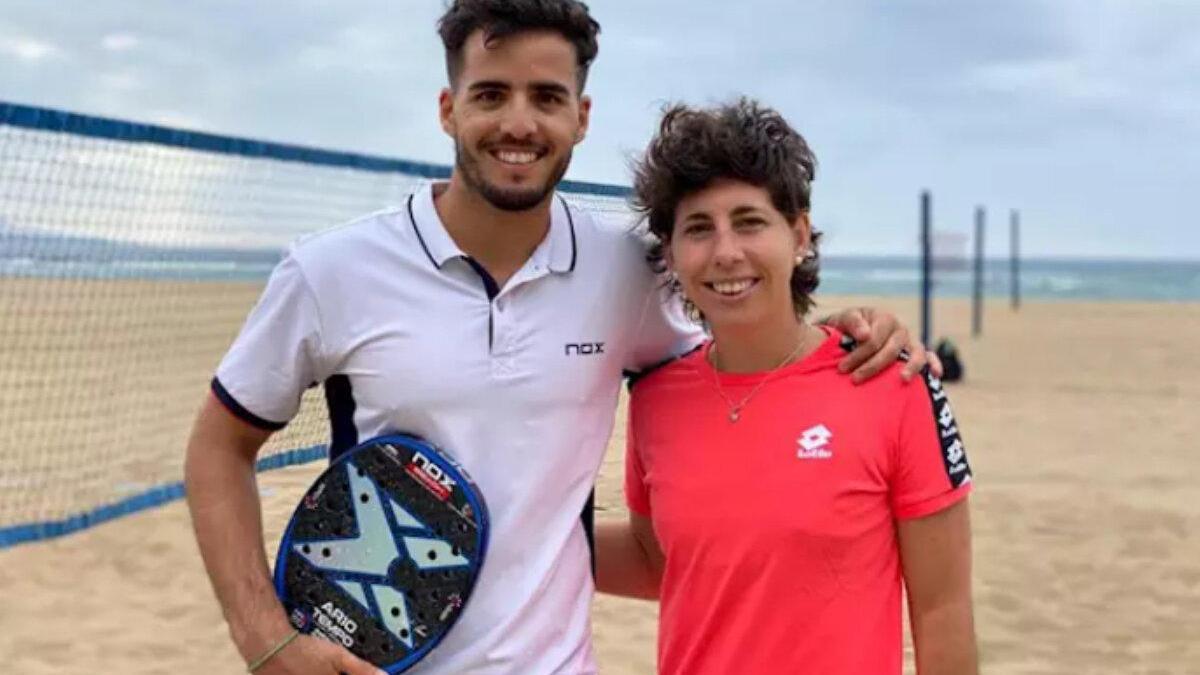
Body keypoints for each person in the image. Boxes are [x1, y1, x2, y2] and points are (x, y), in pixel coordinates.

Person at [183, 2, 935, 674]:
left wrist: (847, 334)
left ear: (581, 116)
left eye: (546, 97)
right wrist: (265, 637)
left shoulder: (626, 270)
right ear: (448, 109)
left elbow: (743, 348)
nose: (518, 123)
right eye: (490, 94)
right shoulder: (330, 271)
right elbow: (219, 445)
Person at [595, 99, 977, 675]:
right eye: (699, 228)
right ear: (671, 255)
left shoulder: (892, 381)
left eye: (749, 221)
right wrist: (513, 539)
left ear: (798, 234)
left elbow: (942, 611)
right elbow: (659, 562)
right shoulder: (655, 397)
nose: (726, 252)